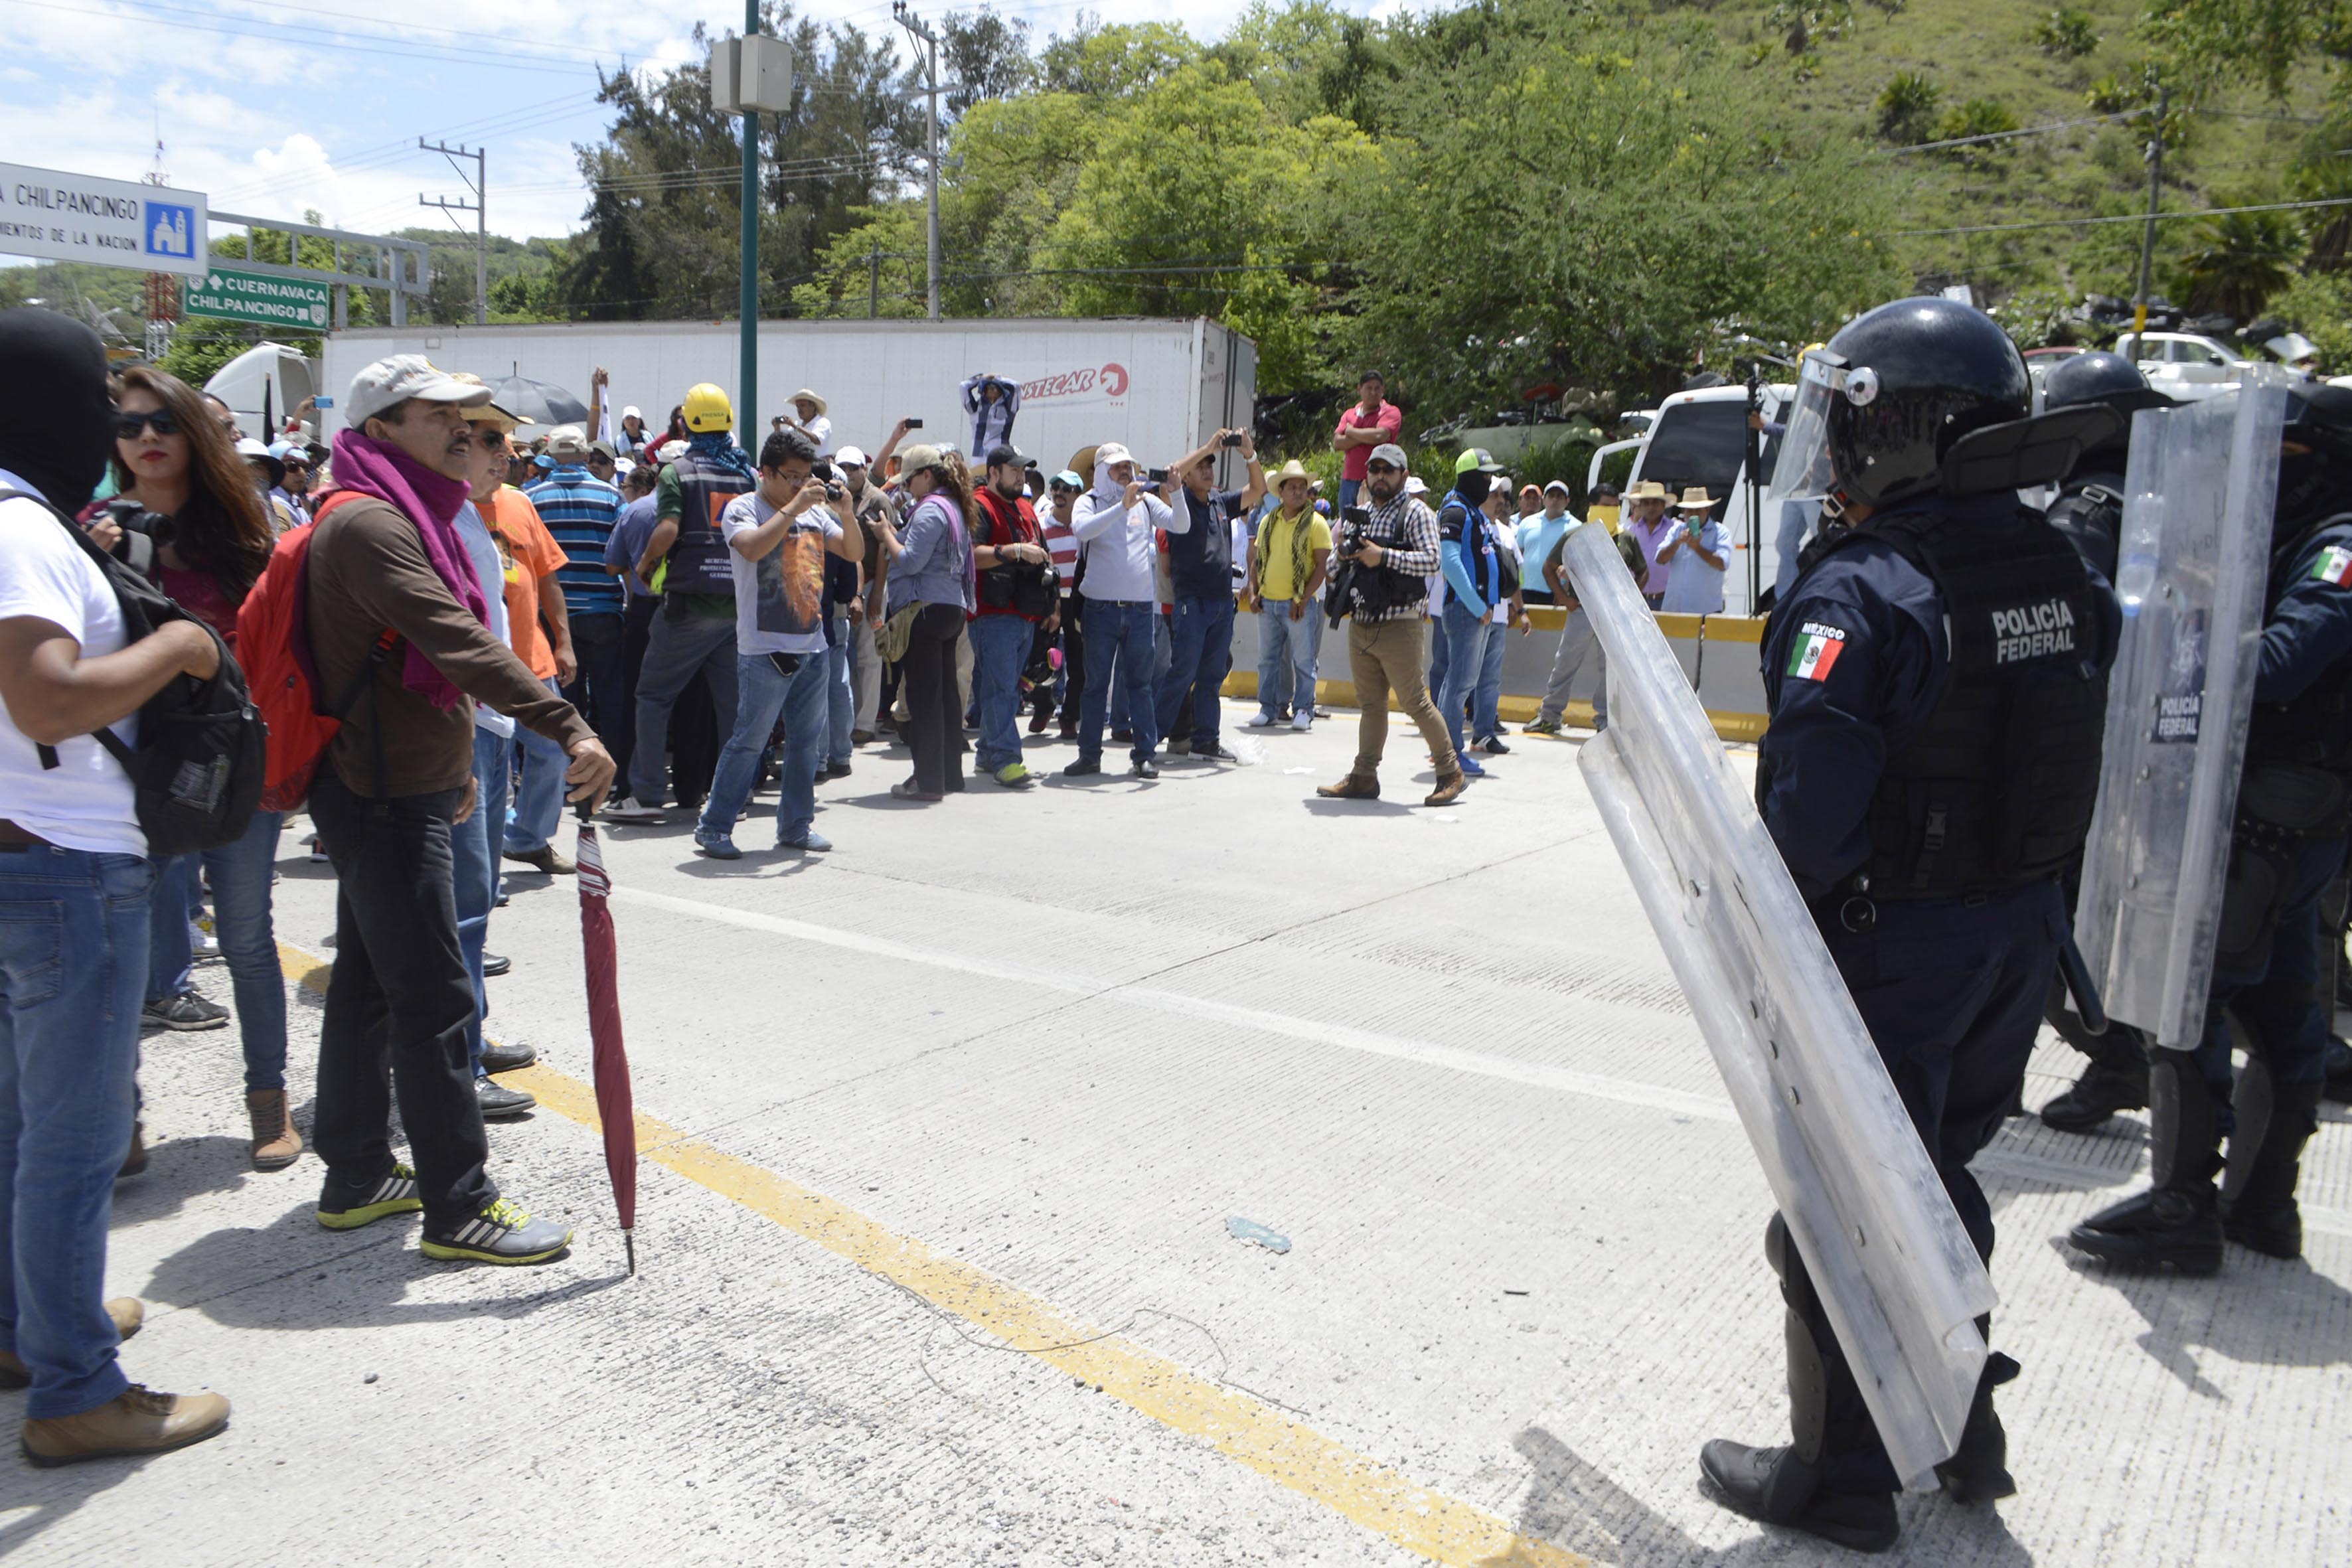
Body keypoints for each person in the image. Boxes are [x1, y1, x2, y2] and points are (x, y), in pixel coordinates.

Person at [1703, 298, 2118, 1552]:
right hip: (2017, 936)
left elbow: (1806, 828)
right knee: (1937, 1188)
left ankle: (1836, 1483)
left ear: (1904, 434)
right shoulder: (2057, 569)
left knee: (1834, 1218)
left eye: (1848, 421)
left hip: (1893, 954)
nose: (1830, 449)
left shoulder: (1863, 590)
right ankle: (1959, 1429)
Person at [304, 354, 615, 1265]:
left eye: (466, 418)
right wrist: (566, 725)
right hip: (384, 794)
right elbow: (455, 640)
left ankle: (357, 1173)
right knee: (437, 996)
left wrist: (455, 765)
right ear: (380, 430)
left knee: (367, 987)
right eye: (437, 414)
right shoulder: (369, 523)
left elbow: (418, 665)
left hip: (398, 782)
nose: (462, 430)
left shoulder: (399, 512)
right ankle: (459, 1202)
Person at [0, 307, 234, 1464]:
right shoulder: (23, 528)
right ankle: (78, 1390)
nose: (111, 423)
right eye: (97, 398)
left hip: (18, 858)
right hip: (65, 868)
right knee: (74, 1143)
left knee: (14, 1123)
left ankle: (30, 1327)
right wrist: (180, 650)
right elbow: (48, 699)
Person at [2067, 385, 2352, 1274]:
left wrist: (2176, 629)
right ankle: (2259, 1206)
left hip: (2278, 813)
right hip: (2275, 810)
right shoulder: (2300, 538)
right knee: (2277, 1006)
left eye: (2282, 457)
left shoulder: (2338, 548)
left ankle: (2182, 1205)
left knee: (2189, 1002)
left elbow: (2276, 665)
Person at [104, 366, 300, 1167]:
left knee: (248, 939)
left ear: (193, 433)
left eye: (163, 422)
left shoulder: (249, 536)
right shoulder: (89, 531)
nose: (146, 437)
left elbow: (285, 655)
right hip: (124, 770)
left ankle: (269, 1104)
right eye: (129, 425)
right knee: (118, 951)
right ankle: (121, 1120)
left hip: (233, 767)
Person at [2029, 350, 2175, 1131]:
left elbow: (2064, 630)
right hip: (2164, 750)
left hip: (2098, 753)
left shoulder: (2084, 509)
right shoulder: (2167, 497)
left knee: (2047, 923)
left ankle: (2118, 1058)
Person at [445, 390, 544, 1120]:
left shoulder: (482, 516)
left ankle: (470, 1039)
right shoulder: (434, 521)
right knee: (459, 908)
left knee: (474, 903)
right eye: (484, 438)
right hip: (462, 733)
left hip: (489, 729)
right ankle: (457, 1064)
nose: (500, 452)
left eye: (503, 442)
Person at [696, 429, 861, 858]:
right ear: (765, 473)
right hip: (763, 650)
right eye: (790, 476)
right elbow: (750, 549)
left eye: (805, 476)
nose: (800, 484)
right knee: (749, 741)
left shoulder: (813, 512)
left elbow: (853, 550)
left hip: (812, 645)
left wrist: (846, 512)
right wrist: (792, 508)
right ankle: (714, 825)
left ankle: (795, 825)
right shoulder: (743, 508)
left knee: (807, 745)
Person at [607, 383, 747, 822]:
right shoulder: (744, 474)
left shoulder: (678, 472)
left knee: (651, 697)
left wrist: (647, 563)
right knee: (732, 707)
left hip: (688, 605)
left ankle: (647, 794)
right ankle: (732, 798)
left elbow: (667, 528)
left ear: (685, 422)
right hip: (735, 607)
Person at [1315, 444, 1467, 807]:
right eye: (1375, 469)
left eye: (1388, 470)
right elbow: (1333, 566)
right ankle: (1364, 776)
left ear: (1403, 473)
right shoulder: (1360, 514)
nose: (1380, 476)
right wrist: (1348, 555)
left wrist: (1382, 555)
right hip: (1363, 622)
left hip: (1401, 623)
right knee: (1370, 704)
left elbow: (1433, 562)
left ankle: (1451, 772)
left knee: (1415, 702)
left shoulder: (1417, 513)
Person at [469, 435, 578, 879]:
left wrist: (563, 640)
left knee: (552, 753)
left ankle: (529, 839)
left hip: (531, 659)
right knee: (487, 779)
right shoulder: (445, 506)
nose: (508, 458)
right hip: (477, 667)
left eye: (509, 450)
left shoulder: (520, 503)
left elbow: (547, 576)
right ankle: (481, 875)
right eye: (494, 444)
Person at [1067, 443, 1178, 778]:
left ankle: (1145, 755)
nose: (1126, 473)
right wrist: (1121, 507)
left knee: (1141, 686)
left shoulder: (1145, 501)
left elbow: (1180, 524)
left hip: (1141, 609)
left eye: (1128, 467)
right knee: (1095, 685)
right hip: (1100, 609)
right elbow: (1082, 529)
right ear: (1102, 472)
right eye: (1118, 468)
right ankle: (1089, 755)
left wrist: (1178, 493)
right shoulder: (1089, 501)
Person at [1156, 428, 1265, 765]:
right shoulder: (1178, 501)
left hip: (1221, 605)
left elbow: (1259, 490)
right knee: (1182, 673)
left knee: (1211, 677)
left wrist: (1250, 454)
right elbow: (1166, 479)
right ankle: (1149, 737)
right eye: (1200, 466)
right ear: (1186, 477)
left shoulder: (1220, 501)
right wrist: (1206, 446)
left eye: (1211, 465)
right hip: (1192, 604)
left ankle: (1206, 739)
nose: (1207, 469)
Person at [526, 424, 628, 775]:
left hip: (554, 617)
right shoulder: (611, 496)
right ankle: (612, 772)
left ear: (551, 458)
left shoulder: (533, 499)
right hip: (603, 611)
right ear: (586, 456)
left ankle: (568, 775)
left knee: (564, 702)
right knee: (610, 696)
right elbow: (621, 554)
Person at [878, 443, 973, 801]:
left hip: (925, 610)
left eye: (909, 480)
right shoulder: (955, 508)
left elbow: (912, 561)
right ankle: (950, 776)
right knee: (947, 695)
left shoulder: (931, 510)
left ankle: (928, 781)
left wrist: (885, 533)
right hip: (951, 608)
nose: (906, 487)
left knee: (924, 699)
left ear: (927, 475)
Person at [968, 443, 1053, 789]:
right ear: (993, 472)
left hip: (1025, 614)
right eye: (1013, 470)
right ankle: (1007, 759)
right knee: (1002, 689)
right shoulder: (980, 506)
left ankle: (988, 752)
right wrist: (1013, 551)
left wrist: (1054, 606)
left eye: (1022, 471)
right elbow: (971, 554)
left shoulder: (1025, 508)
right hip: (993, 614)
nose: (1020, 477)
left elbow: (1044, 554)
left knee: (1003, 689)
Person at [1524, 510, 1648, 735]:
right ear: (1591, 508)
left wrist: (1629, 598)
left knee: (1609, 667)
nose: (1607, 508)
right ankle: (1549, 715)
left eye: (1611, 505)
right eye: (1603, 505)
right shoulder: (1575, 535)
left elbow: (1643, 571)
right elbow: (1549, 567)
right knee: (1565, 662)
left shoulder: (1626, 538)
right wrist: (1564, 598)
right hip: (1581, 609)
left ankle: (1605, 720)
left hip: (1612, 612)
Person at [1435, 448, 1513, 779]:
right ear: (1467, 478)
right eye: (1484, 477)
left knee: (1458, 682)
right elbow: (1450, 562)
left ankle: (1445, 748)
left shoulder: (1472, 511)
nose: (1488, 483)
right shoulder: (1456, 511)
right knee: (1460, 683)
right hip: (1468, 611)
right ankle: (1450, 752)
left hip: (1478, 611)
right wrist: (1479, 606)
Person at [1244, 460, 1332, 731]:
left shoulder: (1316, 523)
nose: (1298, 492)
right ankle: (1268, 709)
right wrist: (1254, 590)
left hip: (1298, 604)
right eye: (1292, 487)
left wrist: (1303, 599)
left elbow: (1322, 566)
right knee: (1267, 660)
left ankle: (1304, 709)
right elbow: (1258, 560)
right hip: (1268, 602)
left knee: (1304, 661)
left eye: (1302, 487)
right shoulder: (1268, 521)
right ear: (1280, 491)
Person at [836, 438, 900, 745]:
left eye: (853, 467)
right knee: (849, 657)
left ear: (864, 469)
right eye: (843, 467)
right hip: (846, 585)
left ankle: (865, 723)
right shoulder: (836, 496)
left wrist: (877, 594)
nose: (848, 473)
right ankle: (850, 719)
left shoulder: (877, 500)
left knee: (870, 656)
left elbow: (887, 546)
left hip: (874, 582)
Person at [601, 462, 661, 789]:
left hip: (644, 609)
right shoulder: (698, 507)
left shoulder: (635, 511)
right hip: (690, 608)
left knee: (638, 695)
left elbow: (612, 565)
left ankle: (629, 781)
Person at [1036, 468, 1086, 737]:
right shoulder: (1041, 523)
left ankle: (1069, 716)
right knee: (1044, 658)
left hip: (1077, 601)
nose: (1058, 493)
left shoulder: (1085, 525)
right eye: (1055, 487)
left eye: (1066, 489)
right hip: (1049, 601)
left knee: (1079, 663)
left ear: (1078, 494)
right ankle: (1043, 706)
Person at [1330, 371, 1401, 514]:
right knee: (1348, 528)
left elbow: (1380, 436)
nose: (1373, 392)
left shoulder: (1391, 412)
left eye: (1377, 389)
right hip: (1349, 481)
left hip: (1378, 479)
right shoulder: (1350, 413)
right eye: (1369, 388)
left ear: (1383, 390)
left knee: (1375, 524)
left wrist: (1351, 432)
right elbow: (1338, 443)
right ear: (1360, 389)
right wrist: (1367, 435)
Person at [1658, 488, 1728, 615]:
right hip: (1674, 609)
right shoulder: (1676, 531)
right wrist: (1678, 542)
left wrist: (1697, 548)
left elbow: (1722, 564)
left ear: (1707, 510)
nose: (1694, 514)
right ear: (1684, 512)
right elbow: (1660, 559)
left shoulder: (1721, 532)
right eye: (1690, 510)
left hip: (1706, 611)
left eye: (1699, 510)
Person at [1516, 481, 1576, 606]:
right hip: (1526, 590)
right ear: (1544, 500)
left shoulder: (1576, 526)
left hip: (1557, 594)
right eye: (1551, 496)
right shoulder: (1527, 523)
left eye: (1560, 496)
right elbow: (1517, 557)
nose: (1555, 499)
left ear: (1567, 501)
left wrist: (1563, 593)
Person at [1621, 480, 1675, 609]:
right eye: (1646, 503)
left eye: (1655, 503)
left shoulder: (1675, 530)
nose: (1651, 507)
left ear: (1663, 505)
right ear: (1640, 505)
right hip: (1637, 599)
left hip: (1666, 599)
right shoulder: (1629, 532)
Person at [962, 372, 1022, 457]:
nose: (992, 389)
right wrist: (982, 378)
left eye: (995, 387)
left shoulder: (1009, 408)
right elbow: (963, 386)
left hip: (1000, 457)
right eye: (988, 387)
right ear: (984, 391)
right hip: (978, 456)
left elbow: (1016, 387)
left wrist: (998, 378)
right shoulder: (975, 408)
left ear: (1002, 390)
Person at [777, 388, 832, 456]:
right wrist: (777, 428)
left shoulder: (823, 422)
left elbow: (817, 440)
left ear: (813, 406)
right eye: (798, 406)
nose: (799, 409)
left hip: (816, 465)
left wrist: (795, 426)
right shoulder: (797, 425)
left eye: (803, 405)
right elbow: (782, 444)